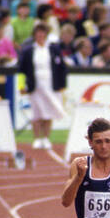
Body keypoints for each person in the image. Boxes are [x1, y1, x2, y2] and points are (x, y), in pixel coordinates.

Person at [17, 21, 68, 150]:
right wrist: (21, 86)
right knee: (37, 112)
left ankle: (45, 138)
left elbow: (62, 68)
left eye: (42, 32)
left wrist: (62, 84)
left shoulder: (53, 49)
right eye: (38, 33)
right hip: (35, 84)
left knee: (48, 112)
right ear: (34, 34)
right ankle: (36, 138)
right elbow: (21, 70)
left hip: (51, 83)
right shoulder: (28, 50)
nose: (40, 35)